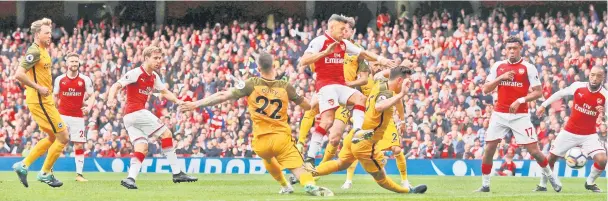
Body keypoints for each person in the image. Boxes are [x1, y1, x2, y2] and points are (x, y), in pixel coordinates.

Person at [179, 52, 334, 196]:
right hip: (281, 138)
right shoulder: (286, 87)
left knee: (267, 159)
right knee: (298, 168)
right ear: (274, 66)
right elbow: (308, 107)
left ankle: (285, 185)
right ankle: (309, 185)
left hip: (260, 141)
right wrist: (320, 97)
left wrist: (195, 104)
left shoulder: (251, 84)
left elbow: (222, 95)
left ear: (259, 68)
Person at [298, 14, 396, 170]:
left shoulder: (343, 44)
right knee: (327, 121)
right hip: (326, 86)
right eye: (342, 28)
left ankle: (357, 132)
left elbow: (363, 53)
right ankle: (309, 158)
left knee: (361, 99)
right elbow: (303, 61)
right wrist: (324, 53)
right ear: (332, 27)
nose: (345, 31)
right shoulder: (319, 42)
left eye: (346, 29)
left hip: (341, 86)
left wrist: (382, 60)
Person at [312, 66, 427, 194]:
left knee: (341, 163)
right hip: (366, 141)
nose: (409, 85)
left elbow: (381, 74)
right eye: (407, 82)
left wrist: (395, 71)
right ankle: (407, 191)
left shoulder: (380, 81)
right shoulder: (387, 94)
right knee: (380, 176)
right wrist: (401, 94)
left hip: (355, 134)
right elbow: (379, 106)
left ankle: (305, 173)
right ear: (399, 80)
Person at [476, 36, 561, 192]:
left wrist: (520, 100)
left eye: (515, 48)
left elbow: (538, 92)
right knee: (489, 149)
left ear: (520, 48)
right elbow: (486, 89)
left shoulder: (528, 67)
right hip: (499, 114)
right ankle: (485, 185)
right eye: (509, 48)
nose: (512, 51)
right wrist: (501, 78)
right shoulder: (498, 66)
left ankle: (552, 177)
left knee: (534, 151)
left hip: (520, 115)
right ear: (505, 50)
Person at [107, 46, 197, 189]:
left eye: (160, 58)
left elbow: (164, 91)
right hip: (136, 112)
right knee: (167, 133)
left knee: (142, 148)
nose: (158, 61)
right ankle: (177, 172)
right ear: (146, 58)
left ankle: (130, 178)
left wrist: (178, 101)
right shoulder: (136, 73)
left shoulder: (154, 77)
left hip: (130, 118)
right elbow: (115, 86)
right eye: (155, 58)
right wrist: (111, 99)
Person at [12, 18, 69, 188]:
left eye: (50, 32)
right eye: (46, 33)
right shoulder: (34, 51)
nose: (50, 35)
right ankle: (45, 173)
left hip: (44, 100)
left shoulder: (43, 50)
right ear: (37, 35)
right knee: (63, 137)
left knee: (53, 137)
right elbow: (19, 74)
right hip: (39, 100)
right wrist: (38, 87)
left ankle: (23, 165)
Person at [535, 66, 607, 193]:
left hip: (589, 135)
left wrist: (604, 114)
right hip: (569, 131)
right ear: (589, 75)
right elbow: (559, 94)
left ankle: (590, 182)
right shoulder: (578, 86)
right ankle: (542, 185)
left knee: (602, 160)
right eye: (592, 75)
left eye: (598, 76)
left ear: (603, 78)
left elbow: (606, 118)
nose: (594, 78)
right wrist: (543, 105)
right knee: (550, 158)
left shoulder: (605, 96)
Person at [342, 65, 411, 189]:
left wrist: (402, 121)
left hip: (386, 120)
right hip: (369, 118)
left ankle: (404, 180)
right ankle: (348, 180)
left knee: (396, 149)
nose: (377, 67)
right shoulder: (365, 81)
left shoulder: (387, 82)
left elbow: (398, 102)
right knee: (356, 147)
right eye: (375, 65)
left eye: (379, 65)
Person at [53, 52, 95, 182]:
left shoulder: (85, 79)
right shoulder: (60, 79)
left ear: (79, 63)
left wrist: (88, 108)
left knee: (79, 145)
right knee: (59, 143)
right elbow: (55, 96)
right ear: (67, 63)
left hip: (78, 117)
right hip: (62, 116)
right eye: (72, 61)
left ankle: (79, 174)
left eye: (76, 61)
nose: (74, 64)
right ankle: (48, 170)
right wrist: (53, 113)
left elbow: (92, 95)